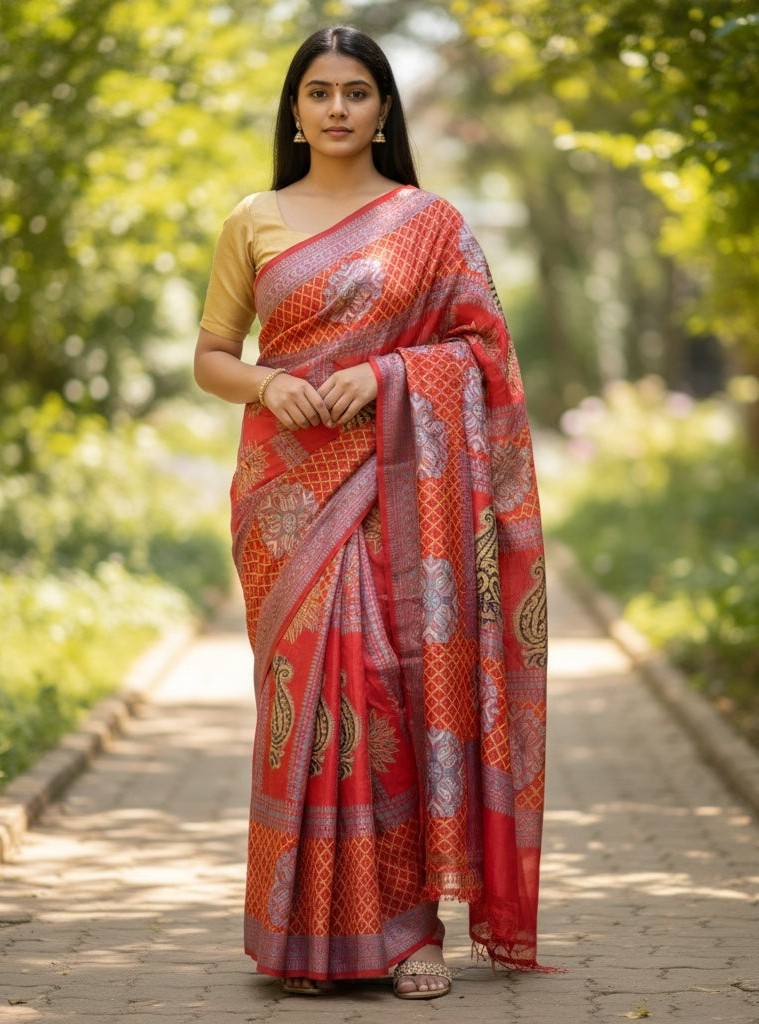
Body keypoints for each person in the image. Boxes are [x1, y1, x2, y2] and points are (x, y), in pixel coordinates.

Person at [193, 25, 550, 999]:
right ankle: (309, 935)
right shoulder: (254, 219)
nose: (338, 107)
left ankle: (405, 935)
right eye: (319, 91)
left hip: (400, 492)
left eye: (357, 91)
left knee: (395, 692)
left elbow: (484, 354)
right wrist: (267, 389)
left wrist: (390, 376)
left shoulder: (428, 220)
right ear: (296, 109)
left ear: (384, 109)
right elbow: (213, 352)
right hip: (287, 497)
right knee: (303, 710)